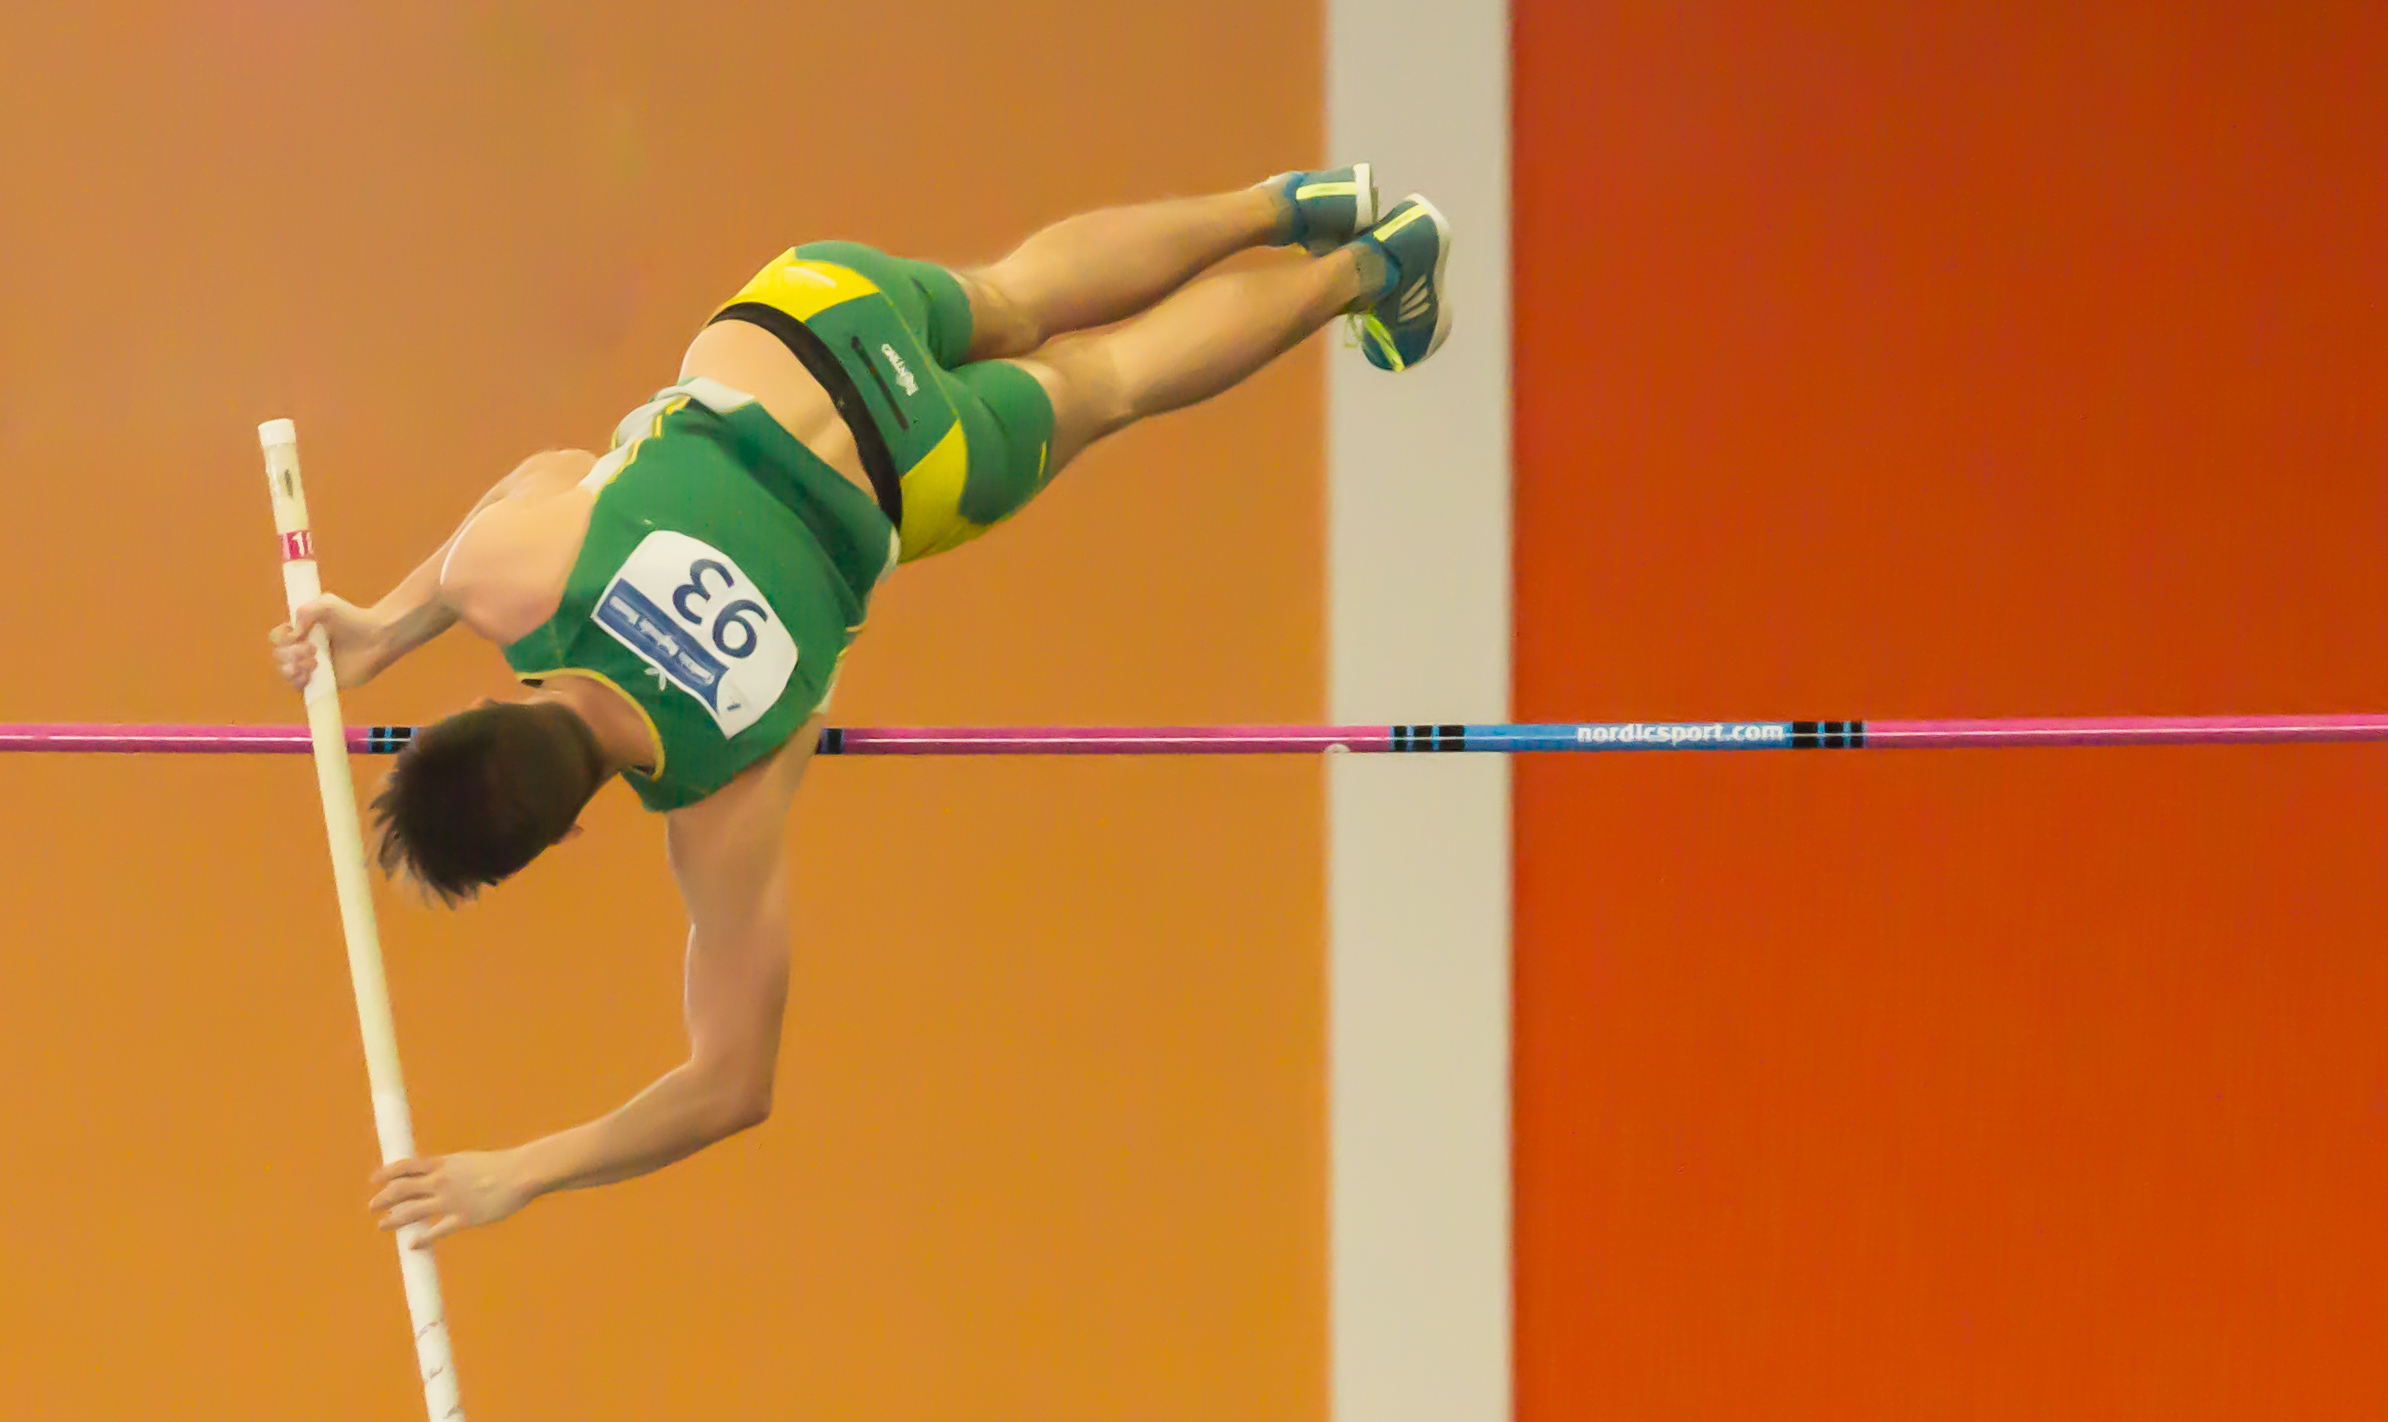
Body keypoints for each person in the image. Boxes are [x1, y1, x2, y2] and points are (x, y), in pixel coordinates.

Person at [267, 165, 1454, 1245]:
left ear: (570, 832)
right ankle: (1290, 204)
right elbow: (543, 477)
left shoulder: (722, 799)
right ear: (489, 694)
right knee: (1016, 292)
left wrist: (519, 1173)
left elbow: (729, 1087)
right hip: (805, 319)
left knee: (1109, 377)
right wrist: (386, 626)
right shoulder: (503, 576)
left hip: (912, 468)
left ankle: (1370, 269)